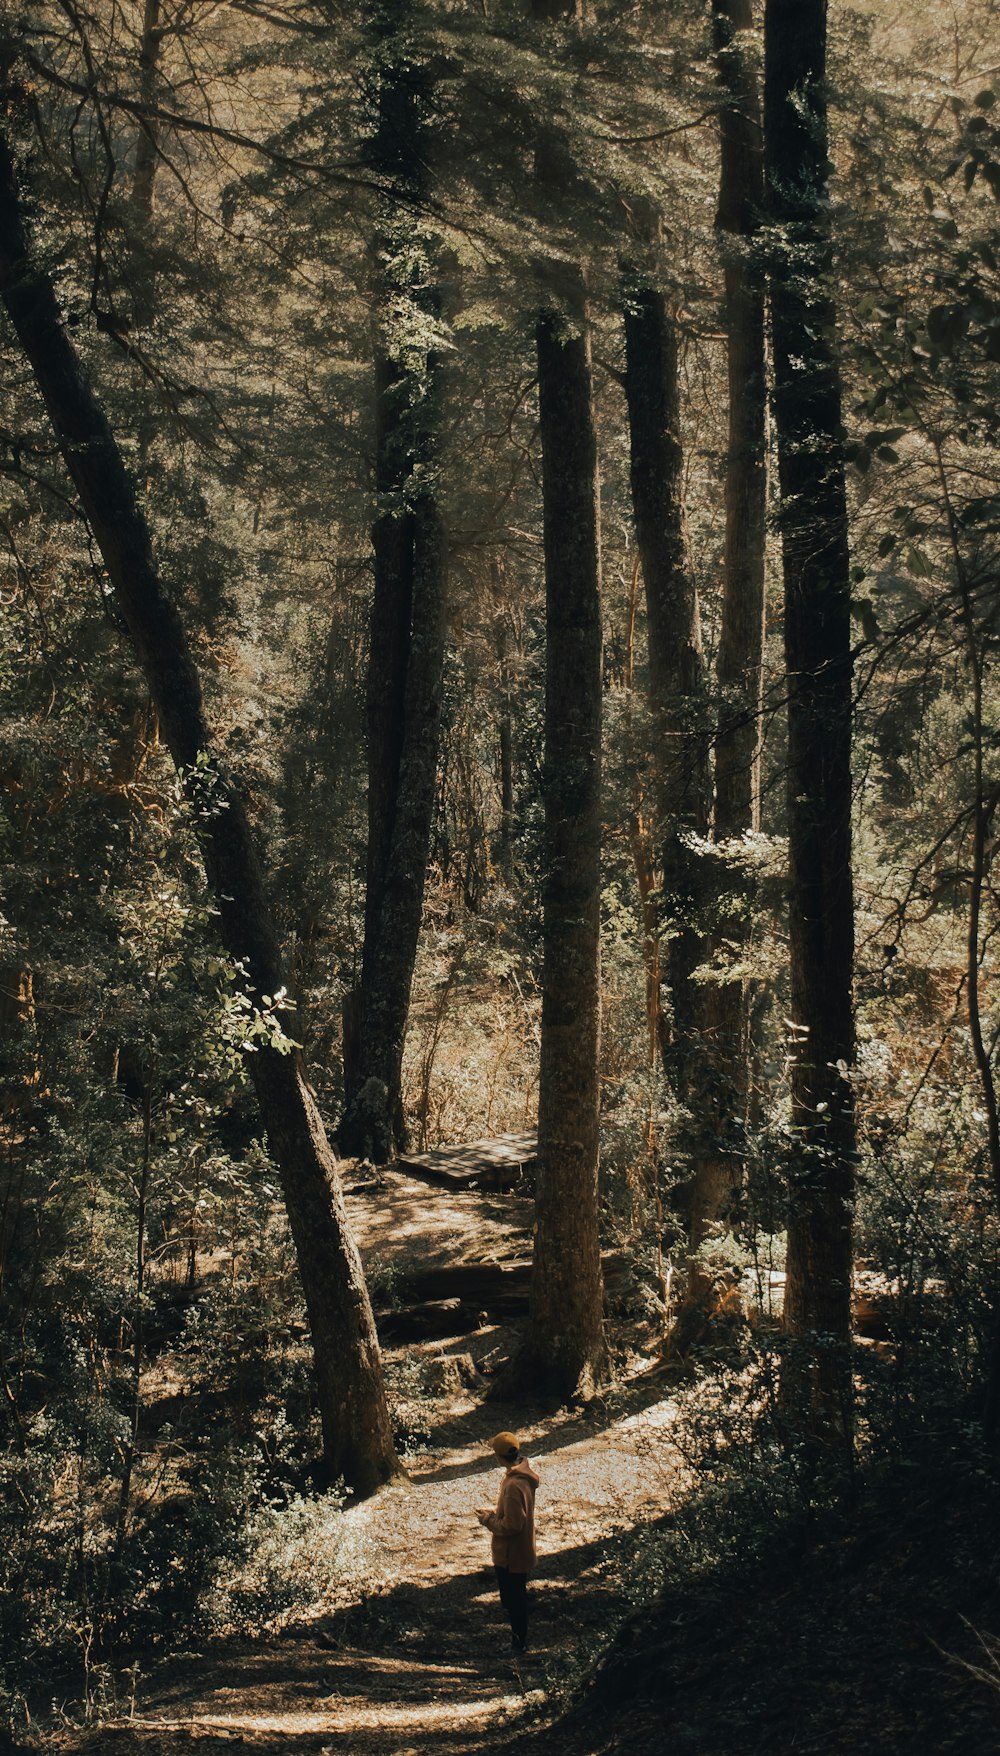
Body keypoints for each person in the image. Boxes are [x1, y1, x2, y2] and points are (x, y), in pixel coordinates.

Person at [476, 1430, 539, 1656]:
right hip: (520, 1551)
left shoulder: (514, 1484)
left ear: (498, 1456)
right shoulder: (522, 1476)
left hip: (511, 1555)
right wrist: (495, 1512)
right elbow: (514, 1514)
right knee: (515, 1599)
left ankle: (518, 1645)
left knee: (514, 1602)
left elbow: (512, 1525)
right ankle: (518, 1642)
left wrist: (488, 1520)